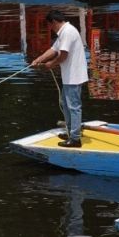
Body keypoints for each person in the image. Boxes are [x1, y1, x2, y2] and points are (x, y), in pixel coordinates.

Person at [31, 10, 89, 148]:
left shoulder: (68, 32)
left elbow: (63, 55)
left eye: (50, 25)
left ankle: (75, 139)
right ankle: (71, 131)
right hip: (69, 76)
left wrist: (51, 64)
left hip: (74, 75)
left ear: (54, 22)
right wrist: (38, 60)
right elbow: (53, 50)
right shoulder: (63, 33)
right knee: (65, 103)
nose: (50, 28)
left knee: (74, 106)